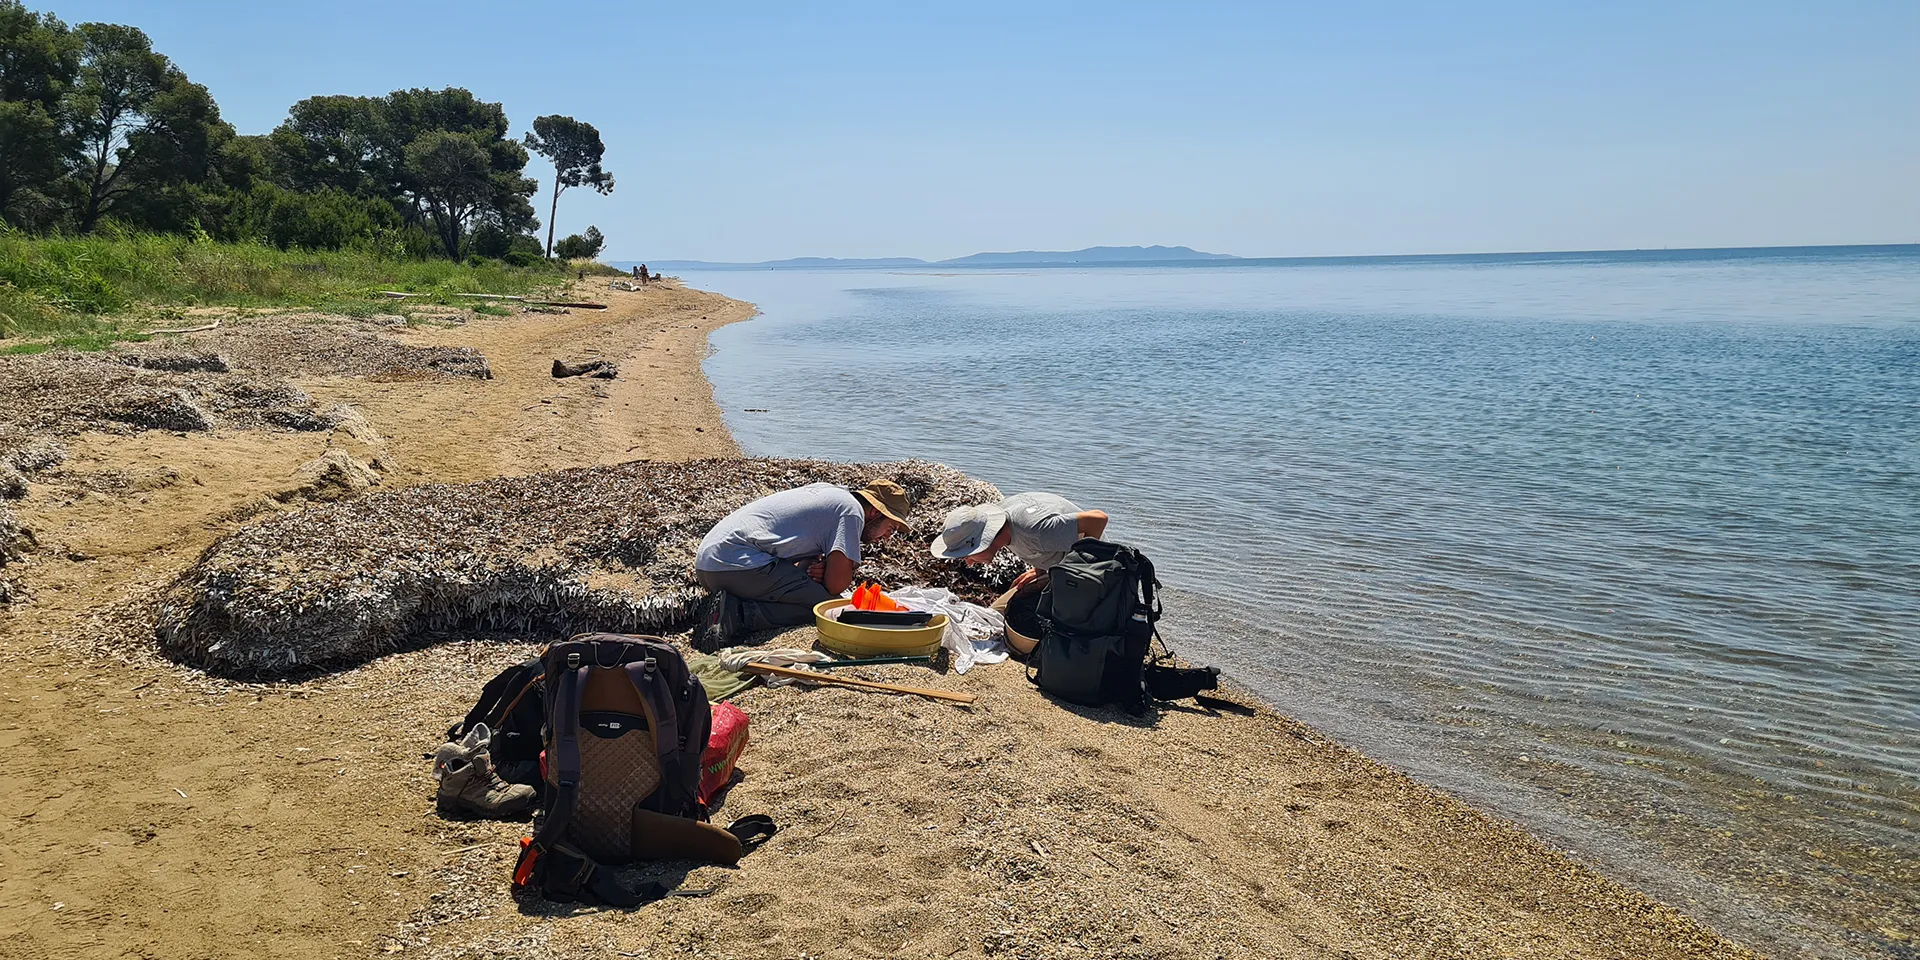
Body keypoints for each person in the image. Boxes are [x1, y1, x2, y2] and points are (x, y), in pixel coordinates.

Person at [690, 479, 913, 650]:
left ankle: (728, 604)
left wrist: (818, 568)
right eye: (891, 528)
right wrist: (831, 570)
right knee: (828, 609)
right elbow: (835, 586)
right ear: (875, 512)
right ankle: (739, 614)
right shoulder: (852, 512)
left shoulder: (831, 493)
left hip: (710, 564)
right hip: (738, 564)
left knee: (811, 595)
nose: (887, 537)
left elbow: (801, 564)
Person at [928, 493, 1108, 655]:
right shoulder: (1001, 519)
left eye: (968, 554)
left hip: (1093, 576)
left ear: (985, 539)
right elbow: (1048, 543)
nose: (968, 562)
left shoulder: (1035, 530)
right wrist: (1041, 568)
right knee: (995, 615)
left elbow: (1098, 520)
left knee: (1021, 646)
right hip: (1056, 570)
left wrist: (1078, 572)